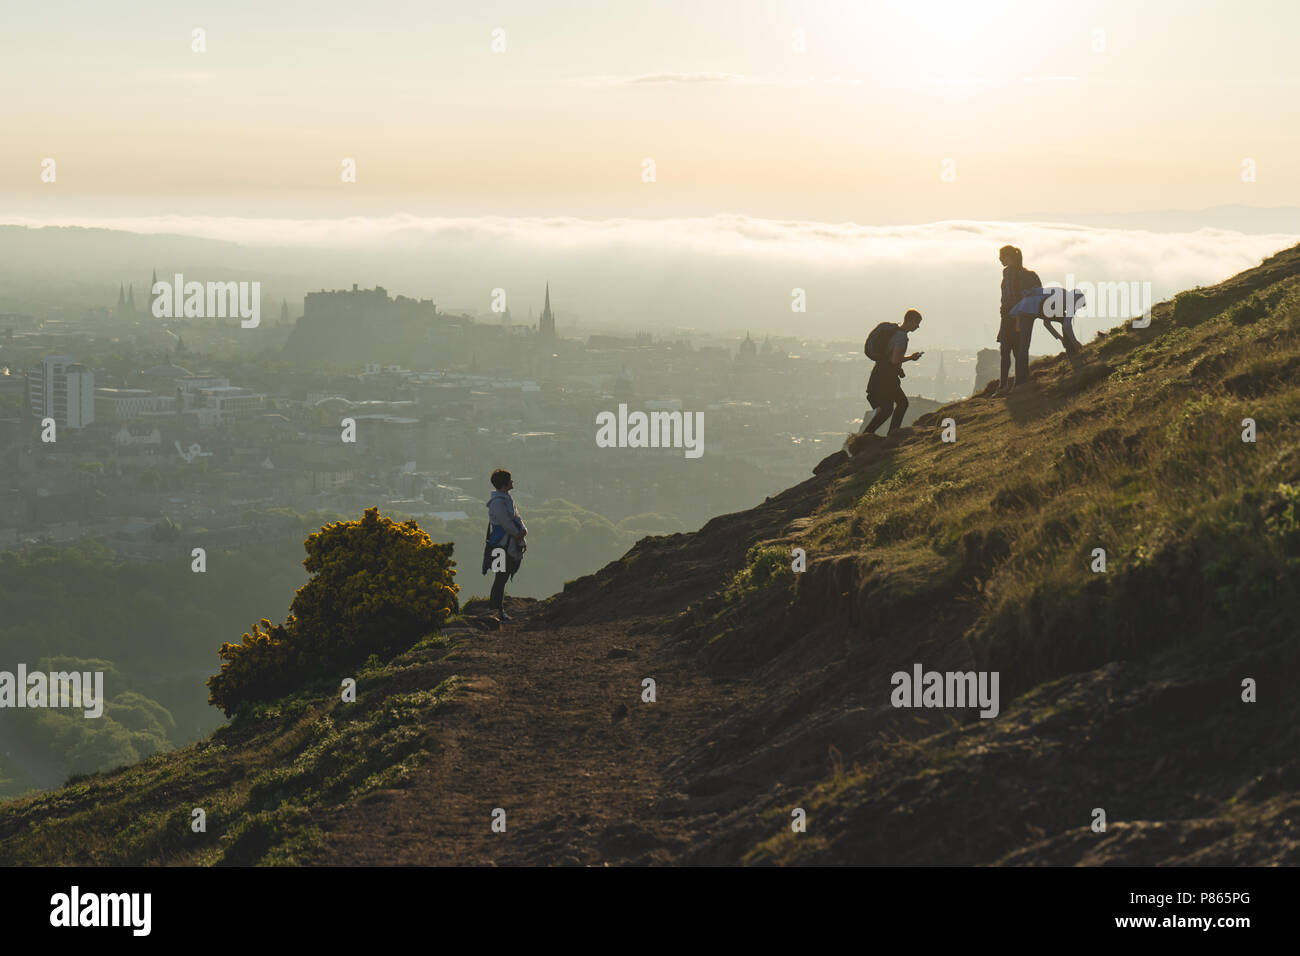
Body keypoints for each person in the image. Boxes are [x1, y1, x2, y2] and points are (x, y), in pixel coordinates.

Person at [856, 308, 924, 441]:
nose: (917, 326)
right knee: (900, 404)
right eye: (916, 323)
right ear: (910, 321)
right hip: (888, 376)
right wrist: (911, 357)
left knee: (889, 408)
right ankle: (891, 435)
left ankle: (867, 436)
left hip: (879, 372)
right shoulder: (902, 337)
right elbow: (895, 360)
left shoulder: (893, 331)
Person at [481, 468, 527, 621]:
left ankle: (497, 609)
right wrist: (518, 534)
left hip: (506, 544)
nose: (512, 482)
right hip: (500, 546)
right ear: (505, 484)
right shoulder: (498, 503)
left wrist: (522, 532)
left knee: (502, 577)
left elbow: (516, 518)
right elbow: (506, 522)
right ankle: (496, 610)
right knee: (500, 578)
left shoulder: (505, 499)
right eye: (510, 480)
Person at [996, 245, 1040, 394]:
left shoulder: (1023, 275)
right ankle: (1008, 385)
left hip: (1020, 316)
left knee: (1016, 350)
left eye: (1002, 256)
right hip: (1009, 316)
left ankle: (1017, 384)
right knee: (1008, 349)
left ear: (1010, 257)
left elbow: (1021, 297)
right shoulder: (1007, 273)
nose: (1000, 259)